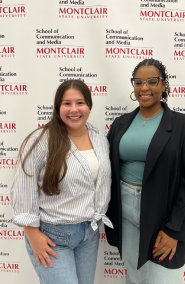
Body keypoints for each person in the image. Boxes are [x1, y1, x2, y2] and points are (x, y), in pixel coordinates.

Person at [105, 59, 185, 284]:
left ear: (164, 85)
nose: (144, 88)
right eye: (138, 82)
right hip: (124, 212)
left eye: (152, 82)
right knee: (134, 278)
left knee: (164, 276)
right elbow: (107, 169)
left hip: (163, 213)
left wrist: (174, 229)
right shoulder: (120, 124)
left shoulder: (183, 126)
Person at [11, 79, 113, 284]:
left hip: (89, 234)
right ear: (58, 107)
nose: (74, 109)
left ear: (89, 106)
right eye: (67, 103)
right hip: (52, 236)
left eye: (80, 102)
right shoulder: (41, 140)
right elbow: (23, 187)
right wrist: (32, 235)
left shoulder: (99, 137)